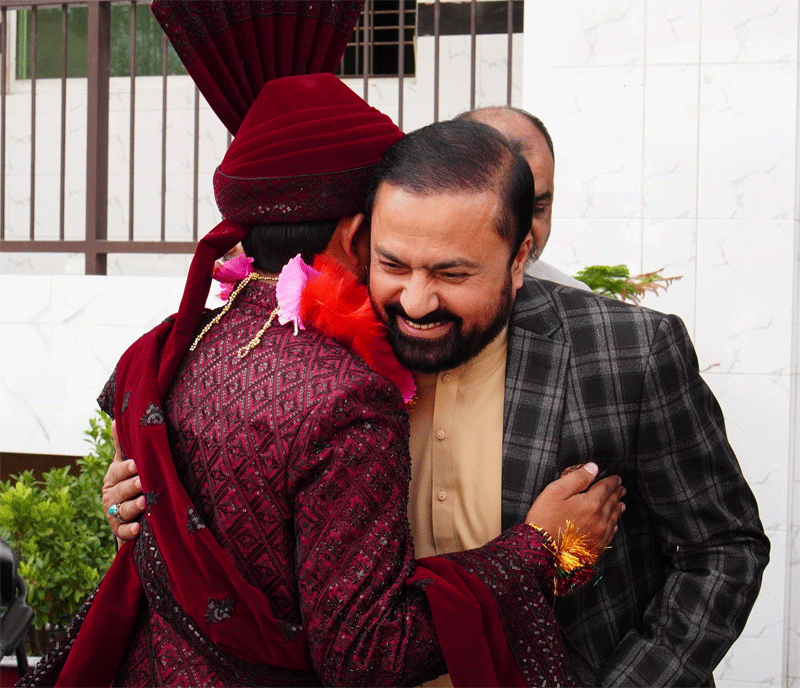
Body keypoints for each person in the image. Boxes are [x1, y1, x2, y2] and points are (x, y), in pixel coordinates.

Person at [26, 67, 628, 687]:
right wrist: (537, 549)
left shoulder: (172, 349)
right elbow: (367, 655)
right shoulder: (348, 399)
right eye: (394, 247)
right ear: (359, 233)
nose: (418, 299)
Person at [361, 118, 769, 687]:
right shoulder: (336, 354)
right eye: (393, 265)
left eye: (453, 273)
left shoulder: (626, 353)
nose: (418, 301)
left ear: (520, 255)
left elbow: (722, 549)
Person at [458, 106, 590, 290]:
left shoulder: (575, 305)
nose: (520, 233)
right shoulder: (410, 303)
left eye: (537, 209)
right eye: (496, 209)